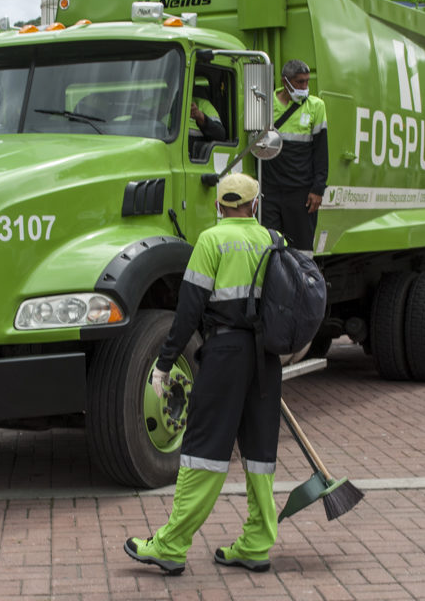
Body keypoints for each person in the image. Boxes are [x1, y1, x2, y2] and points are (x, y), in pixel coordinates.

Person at [124, 172, 283, 576]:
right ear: (256, 205)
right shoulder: (273, 240)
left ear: (218, 206)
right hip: (265, 357)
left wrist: (164, 361)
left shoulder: (212, 241)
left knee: (204, 450)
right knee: (259, 452)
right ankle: (257, 544)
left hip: (226, 353)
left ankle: (172, 545)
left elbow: (188, 311)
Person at [261, 59, 328, 251]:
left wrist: (318, 189)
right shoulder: (264, 102)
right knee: (269, 247)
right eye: (300, 82)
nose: (305, 87)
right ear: (285, 81)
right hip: (271, 189)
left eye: (307, 81)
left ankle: (302, 281)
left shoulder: (316, 106)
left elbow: (321, 152)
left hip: (300, 191)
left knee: (301, 251)